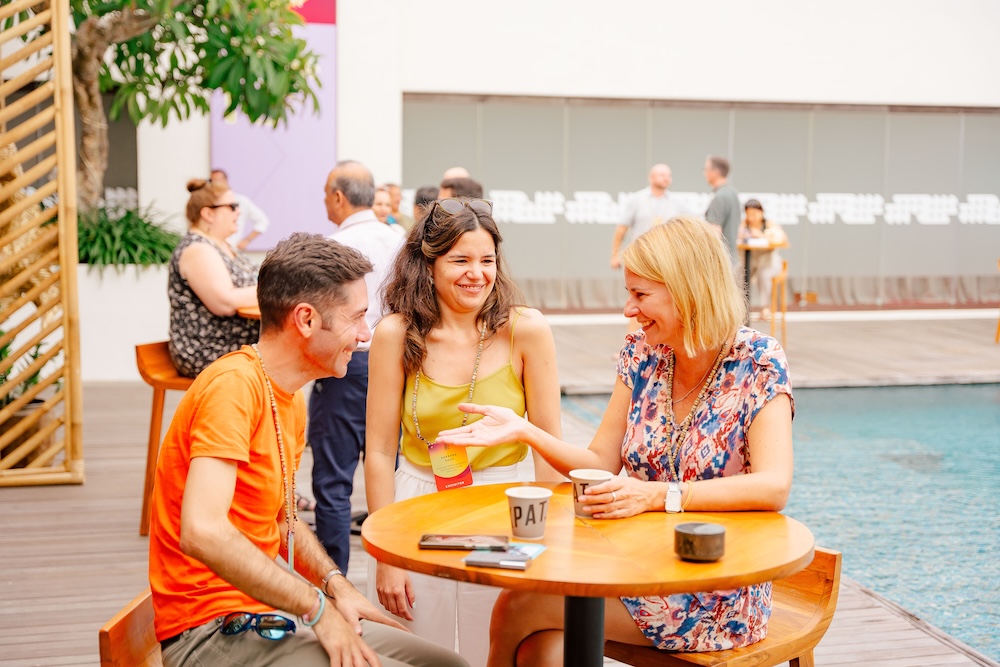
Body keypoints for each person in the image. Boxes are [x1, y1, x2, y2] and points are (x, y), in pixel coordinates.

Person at [437, 216, 794, 666]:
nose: (628, 309)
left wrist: (656, 495)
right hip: (635, 566)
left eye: (640, 295)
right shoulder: (642, 353)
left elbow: (773, 486)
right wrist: (525, 430)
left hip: (717, 587)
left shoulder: (758, 361)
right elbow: (599, 462)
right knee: (540, 651)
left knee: (518, 604)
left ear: (688, 290)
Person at [148, 233, 468, 667]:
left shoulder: (289, 395)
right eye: (356, 318)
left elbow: (282, 518)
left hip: (270, 610)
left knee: (449, 664)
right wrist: (317, 608)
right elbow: (202, 530)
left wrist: (336, 586)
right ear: (306, 320)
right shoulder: (233, 388)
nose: (365, 335)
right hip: (210, 632)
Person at [365, 197, 564, 666]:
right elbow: (378, 451)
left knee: (491, 647)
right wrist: (385, 556)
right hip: (415, 503)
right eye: (460, 261)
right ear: (428, 265)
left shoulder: (526, 329)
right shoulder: (396, 333)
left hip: (506, 504)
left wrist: (551, 541)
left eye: (487, 260)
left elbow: (549, 447)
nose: (477, 274)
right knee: (413, 651)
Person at [311, 161, 404, 575]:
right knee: (394, 470)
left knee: (333, 478)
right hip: (397, 365)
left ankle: (335, 581)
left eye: (325, 195)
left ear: (338, 197)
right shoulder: (401, 241)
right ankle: (399, 565)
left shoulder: (333, 247)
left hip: (346, 365)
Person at [168, 178, 259, 378]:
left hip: (238, 343)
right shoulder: (198, 249)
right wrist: (275, 289)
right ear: (208, 214)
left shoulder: (222, 245)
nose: (239, 212)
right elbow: (224, 303)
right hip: (209, 348)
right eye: (232, 206)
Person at [609, 163, 688, 270]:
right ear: (651, 177)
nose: (666, 178)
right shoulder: (637, 199)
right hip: (641, 256)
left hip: (668, 259)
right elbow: (622, 228)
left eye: (669, 175)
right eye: (662, 175)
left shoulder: (677, 202)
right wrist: (615, 255)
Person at [739, 199, 788, 320]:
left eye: (754, 213)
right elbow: (737, 237)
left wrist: (762, 235)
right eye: (748, 214)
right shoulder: (744, 224)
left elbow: (782, 239)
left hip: (768, 260)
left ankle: (765, 308)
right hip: (751, 259)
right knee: (739, 274)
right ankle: (738, 308)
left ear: (761, 212)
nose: (751, 217)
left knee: (764, 275)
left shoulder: (769, 224)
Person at [210, 169, 270, 251]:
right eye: (212, 181)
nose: (237, 212)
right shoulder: (209, 203)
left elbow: (263, 221)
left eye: (217, 180)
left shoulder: (241, 201)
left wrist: (247, 240)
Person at [704, 156, 741, 263]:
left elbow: (714, 233)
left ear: (715, 172)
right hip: (732, 259)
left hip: (721, 261)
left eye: (706, 169)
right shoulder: (733, 193)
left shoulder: (719, 197)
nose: (704, 173)